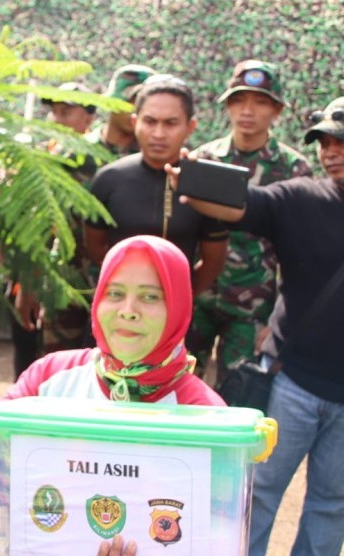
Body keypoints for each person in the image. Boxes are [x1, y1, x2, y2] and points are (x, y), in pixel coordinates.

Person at [0, 235, 224, 552]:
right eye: (115, 293)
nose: (128, 311)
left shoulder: (205, 415)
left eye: (150, 297)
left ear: (179, 307)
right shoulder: (50, 378)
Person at [168, 98, 344, 556]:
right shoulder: (302, 196)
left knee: (331, 505)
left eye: (341, 140)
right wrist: (192, 179)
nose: (331, 150)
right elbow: (242, 204)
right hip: (294, 382)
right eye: (324, 141)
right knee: (257, 491)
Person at [187, 60, 311, 384]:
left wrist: (280, 317)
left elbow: (299, 250)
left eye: (260, 102)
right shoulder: (204, 159)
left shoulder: (294, 169)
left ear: (277, 111)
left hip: (253, 305)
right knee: (179, 386)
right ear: (228, 106)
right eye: (239, 100)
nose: (248, 110)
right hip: (197, 295)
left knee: (237, 392)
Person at [85, 74, 228, 296]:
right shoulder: (109, 179)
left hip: (178, 311)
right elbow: (95, 247)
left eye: (171, 123)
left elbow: (213, 261)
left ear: (190, 127)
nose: (159, 134)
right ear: (135, 122)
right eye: (150, 122)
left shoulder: (204, 187)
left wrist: (180, 298)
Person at [10, 81, 97, 376]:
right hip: (61, 285)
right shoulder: (47, 159)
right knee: (58, 367)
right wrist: (29, 285)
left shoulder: (98, 161)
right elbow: (40, 230)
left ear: (89, 118)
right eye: (53, 113)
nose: (55, 120)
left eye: (65, 112)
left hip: (94, 281)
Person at [85, 64, 156, 161]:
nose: (136, 110)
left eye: (144, 104)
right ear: (111, 102)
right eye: (130, 101)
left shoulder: (155, 157)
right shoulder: (79, 149)